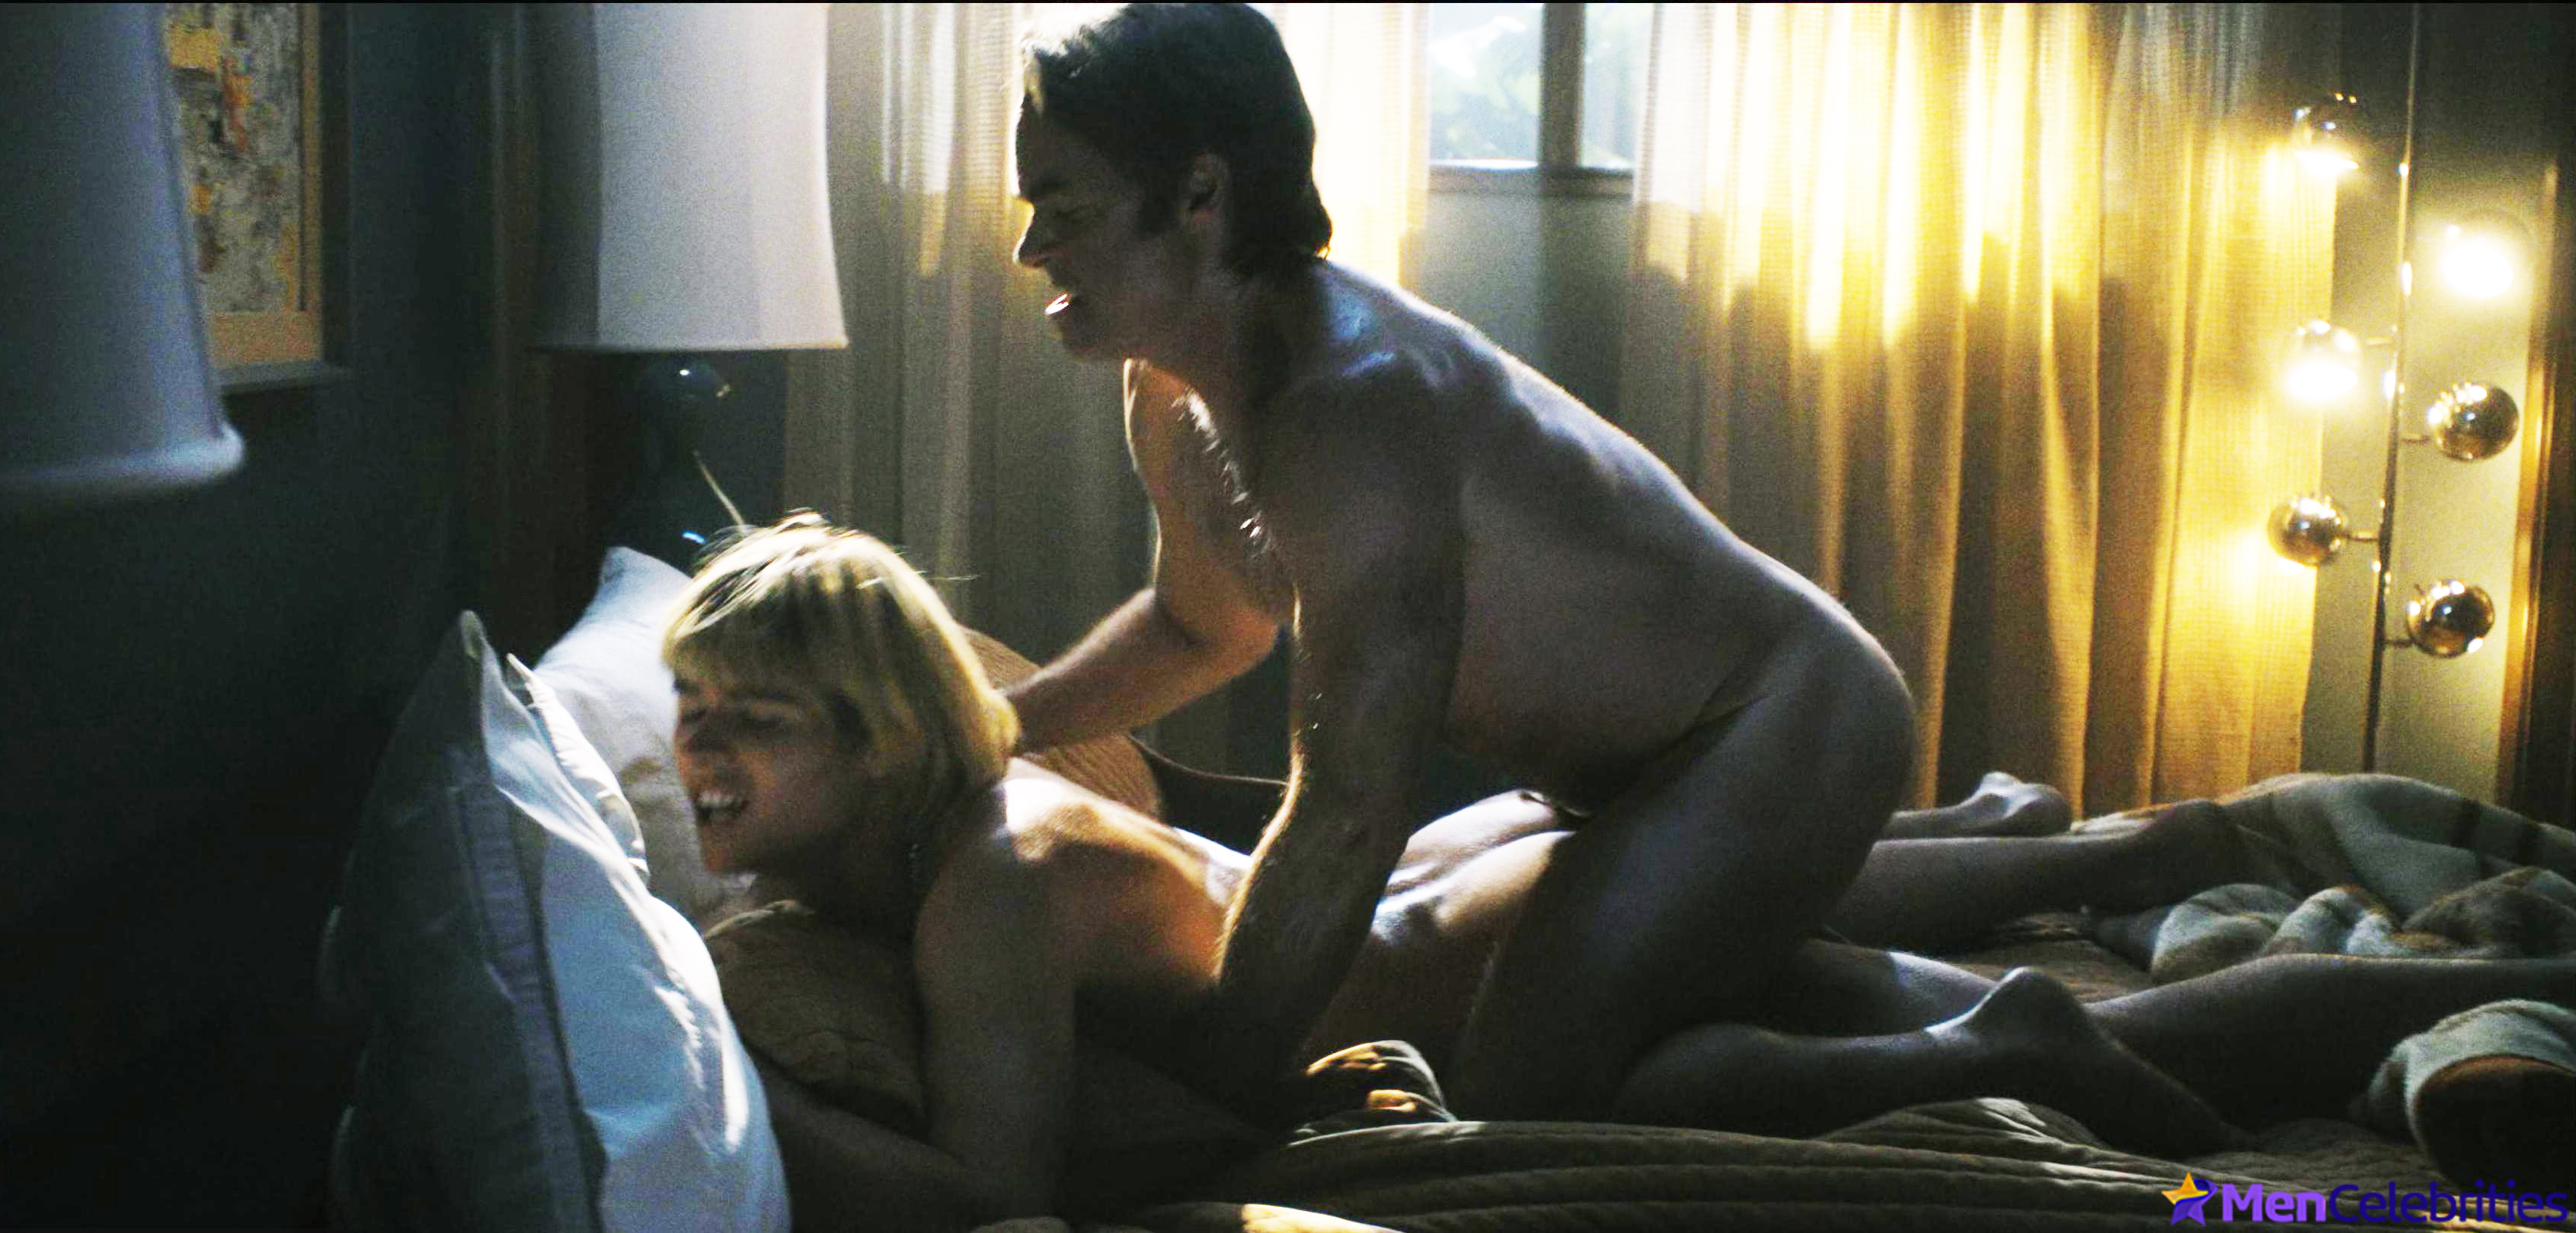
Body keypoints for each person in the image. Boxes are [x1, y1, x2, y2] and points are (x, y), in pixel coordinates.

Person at [664, 517, 2576, 1229]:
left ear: (882, 736)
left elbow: (994, 1194)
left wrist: (739, 1097)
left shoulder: (983, 882)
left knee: (1970, 1014)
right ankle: (2442, 997)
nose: (700, 756)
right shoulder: (977, 825)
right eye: (685, 717)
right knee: (2123, 1028)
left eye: (752, 722)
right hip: (1486, 894)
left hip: (1499, 956)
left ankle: (2015, 1003)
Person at [996, 1, 1919, 1116]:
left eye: (1064, 211)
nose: (1031, 250)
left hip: (1778, 718)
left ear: (1200, 194)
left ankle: (2009, 1053)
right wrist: (995, 725)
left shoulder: (1349, 411)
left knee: (1519, 1091)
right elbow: (1203, 629)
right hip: (1610, 774)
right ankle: (2013, 943)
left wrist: (1215, 1097)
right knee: (1598, 969)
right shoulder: (1169, 387)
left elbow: (1349, 813)